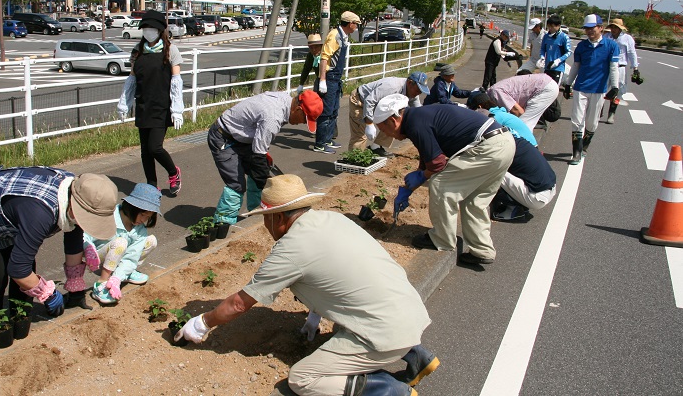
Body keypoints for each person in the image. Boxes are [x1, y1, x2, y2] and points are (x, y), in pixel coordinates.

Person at [174, 174, 438, 396]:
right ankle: (417, 356)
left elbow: (239, 303)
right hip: (410, 311)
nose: (265, 225)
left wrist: (201, 324)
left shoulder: (291, 249)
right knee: (354, 314)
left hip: (388, 334)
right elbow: (337, 279)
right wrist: (314, 316)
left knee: (303, 379)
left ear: (277, 218)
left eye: (265, 218)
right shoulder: (333, 219)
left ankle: (388, 389)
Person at [0, 168, 118, 318]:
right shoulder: (40, 214)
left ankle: (18, 317)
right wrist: (48, 294)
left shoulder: (79, 192)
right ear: (75, 206)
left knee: (26, 264)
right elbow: (18, 270)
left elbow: (73, 234)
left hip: (13, 207)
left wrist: (75, 285)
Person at [374, 95, 515, 265]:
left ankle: (441, 239)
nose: (386, 134)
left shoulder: (414, 124)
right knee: (475, 200)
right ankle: (482, 250)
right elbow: (428, 155)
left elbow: (437, 163)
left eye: (383, 129)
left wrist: (421, 176)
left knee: (441, 185)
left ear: (393, 120)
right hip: (504, 143)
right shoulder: (418, 117)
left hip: (486, 148)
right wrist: (412, 184)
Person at [208, 90, 323, 226]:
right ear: (298, 109)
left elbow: (259, 146)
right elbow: (258, 155)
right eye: (305, 119)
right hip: (223, 137)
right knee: (236, 185)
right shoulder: (273, 117)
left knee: (257, 173)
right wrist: (273, 191)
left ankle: (258, 216)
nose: (302, 123)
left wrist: (263, 161)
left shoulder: (285, 101)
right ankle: (223, 225)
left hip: (242, 138)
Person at [118, 10, 185, 195]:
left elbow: (176, 82)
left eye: (152, 28)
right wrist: (125, 103)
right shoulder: (138, 51)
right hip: (143, 105)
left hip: (162, 106)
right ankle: (151, 184)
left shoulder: (170, 50)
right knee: (145, 151)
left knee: (155, 147)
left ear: (160, 30)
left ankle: (174, 173)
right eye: (145, 27)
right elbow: (131, 78)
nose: (148, 31)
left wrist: (177, 109)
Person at [84, 183, 160, 305]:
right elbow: (85, 235)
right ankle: (101, 283)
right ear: (132, 207)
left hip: (119, 257)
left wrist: (117, 278)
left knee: (151, 241)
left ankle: (121, 273)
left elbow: (132, 257)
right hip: (98, 258)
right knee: (121, 242)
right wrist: (88, 249)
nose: (143, 220)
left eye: (148, 217)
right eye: (142, 214)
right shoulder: (108, 216)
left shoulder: (139, 229)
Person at [562, 14, 619, 165]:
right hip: (581, 87)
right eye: (586, 29)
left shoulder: (611, 46)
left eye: (592, 28)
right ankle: (576, 152)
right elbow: (576, 66)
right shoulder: (581, 46)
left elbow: (614, 68)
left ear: (601, 28)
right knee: (576, 120)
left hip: (599, 89)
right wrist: (568, 83)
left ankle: (584, 146)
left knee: (592, 123)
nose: (589, 31)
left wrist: (615, 86)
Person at [349, 72, 430, 157]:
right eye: (418, 90)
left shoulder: (413, 93)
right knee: (360, 134)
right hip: (361, 101)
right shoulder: (392, 86)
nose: (418, 93)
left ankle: (375, 147)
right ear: (410, 83)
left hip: (378, 104)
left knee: (394, 124)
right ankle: (354, 159)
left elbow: (417, 110)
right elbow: (370, 100)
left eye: (421, 91)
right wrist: (369, 123)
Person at [314, 11, 361, 154]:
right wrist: (323, 80)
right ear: (350, 23)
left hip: (336, 78)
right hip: (329, 77)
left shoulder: (343, 36)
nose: (357, 27)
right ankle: (320, 144)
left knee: (334, 111)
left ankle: (328, 139)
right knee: (326, 112)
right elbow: (324, 57)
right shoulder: (335, 35)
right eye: (356, 24)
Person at [491, 135, 557, 222]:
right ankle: (520, 204)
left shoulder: (503, 148)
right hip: (549, 189)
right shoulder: (516, 140)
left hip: (537, 197)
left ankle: (513, 209)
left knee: (493, 170)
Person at [485, 73, 560, 131]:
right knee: (525, 124)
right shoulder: (495, 90)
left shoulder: (495, 93)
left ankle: (530, 149)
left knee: (523, 124)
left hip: (545, 88)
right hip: (545, 84)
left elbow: (518, 112)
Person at [466, 91, 537, 147]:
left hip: (526, 148)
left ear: (480, 106)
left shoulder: (494, 117)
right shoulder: (501, 113)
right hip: (531, 145)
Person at [603, 18, 638, 124]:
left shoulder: (627, 38)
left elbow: (632, 53)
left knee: (617, 92)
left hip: (620, 67)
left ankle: (611, 114)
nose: (613, 29)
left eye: (616, 27)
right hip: (606, 67)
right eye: (612, 27)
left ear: (620, 29)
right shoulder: (606, 37)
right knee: (602, 90)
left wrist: (635, 68)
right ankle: (598, 111)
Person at [539, 14, 571, 85]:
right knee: (545, 88)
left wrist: (558, 60)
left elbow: (568, 52)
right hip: (547, 67)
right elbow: (542, 49)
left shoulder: (564, 37)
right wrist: (542, 57)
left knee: (554, 89)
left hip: (558, 68)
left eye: (552, 26)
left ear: (558, 25)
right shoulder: (546, 36)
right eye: (549, 26)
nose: (550, 28)